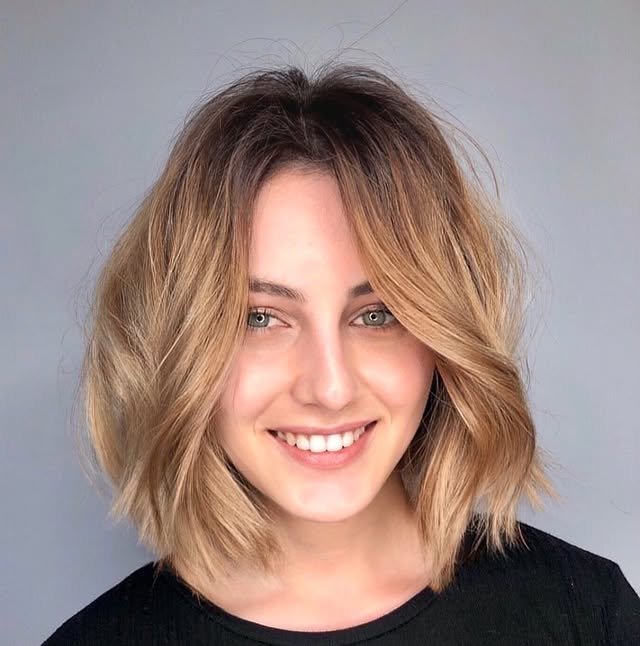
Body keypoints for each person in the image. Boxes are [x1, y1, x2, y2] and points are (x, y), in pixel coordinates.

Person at [43, 62, 640, 645]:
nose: (330, 389)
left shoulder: (587, 614)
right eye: (260, 318)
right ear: (176, 347)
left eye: (376, 315)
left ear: (444, 339)